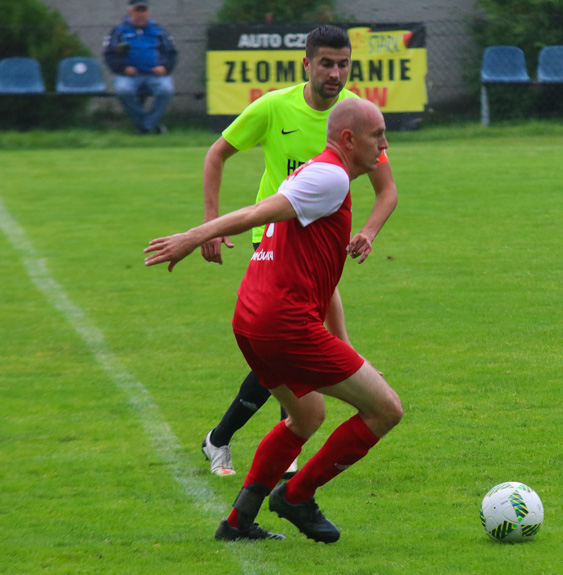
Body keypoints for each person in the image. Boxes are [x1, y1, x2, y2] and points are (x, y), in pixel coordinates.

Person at [145, 98, 403, 543]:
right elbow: (253, 214)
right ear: (348, 139)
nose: (384, 143)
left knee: (306, 416)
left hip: (251, 319)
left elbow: (326, 283)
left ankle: (237, 521)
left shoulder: (318, 176)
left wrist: (348, 348)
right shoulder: (331, 177)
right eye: (377, 133)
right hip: (283, 324)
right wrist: (195, 235)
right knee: (386, 410)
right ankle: (296, 496)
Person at [198, 25, 398, 478]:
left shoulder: (355, 120)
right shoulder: (274, 107)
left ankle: (224, 439)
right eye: (326, 63)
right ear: (306, 64)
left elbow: (388, 190)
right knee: (291, 344)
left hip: (320, 250)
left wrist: (367, 231)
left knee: (295, 348)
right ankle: (280, 458)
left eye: (343, 64)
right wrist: (209, 226)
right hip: (273, 244)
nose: (335, 72)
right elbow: (216, 154)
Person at [102, 0, 177, 134]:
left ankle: (146, 126)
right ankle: (149, 125)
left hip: (155, 74)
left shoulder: (158, 30)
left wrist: (164, 67)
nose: (140, 14)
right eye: (138, 10)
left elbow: (171, 52)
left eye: (144, 10)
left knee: (166, 90)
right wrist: (123, 68)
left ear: (149, 12)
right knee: (123, 90)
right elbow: (109, 54)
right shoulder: (119, 30)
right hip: (129, 75)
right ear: (130, 11)